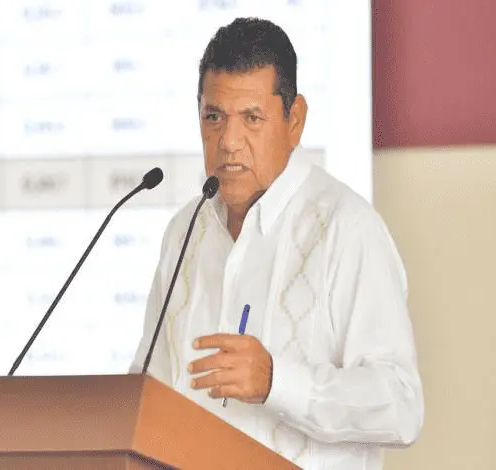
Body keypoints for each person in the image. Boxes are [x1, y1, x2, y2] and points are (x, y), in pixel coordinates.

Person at [129, 17, 424, 469]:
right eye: (214, 117)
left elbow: (401, 407)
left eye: (251, 118)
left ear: (294, 120)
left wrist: (276, 381)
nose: (229, 142)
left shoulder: (346, 228)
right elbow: (148, 390)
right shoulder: (184, 230)